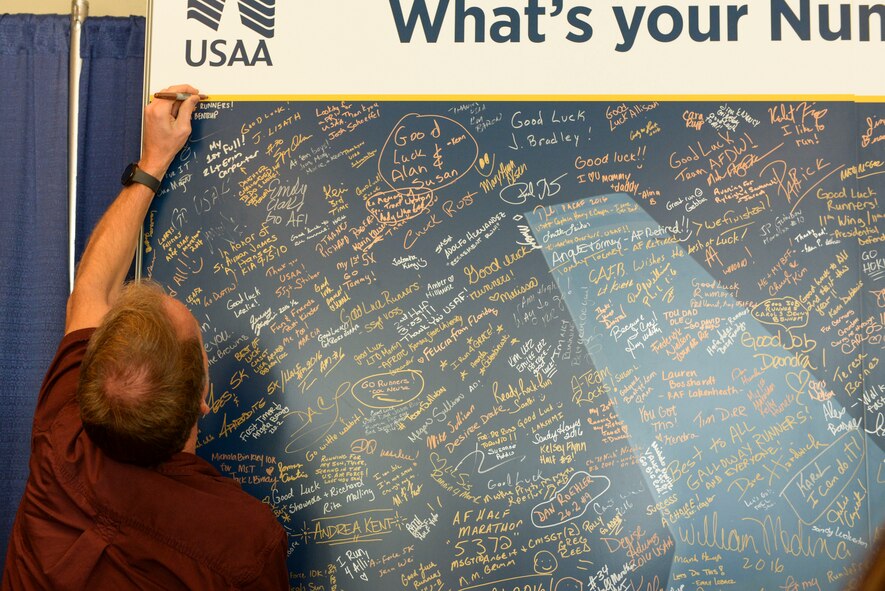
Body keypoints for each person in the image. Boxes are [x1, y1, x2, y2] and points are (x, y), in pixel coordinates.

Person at [2, 85, 288, 590]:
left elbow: (90, 290)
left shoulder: (63, 437)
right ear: (203, 399)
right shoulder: (244, 541)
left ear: (91, 378)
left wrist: (152, 162)